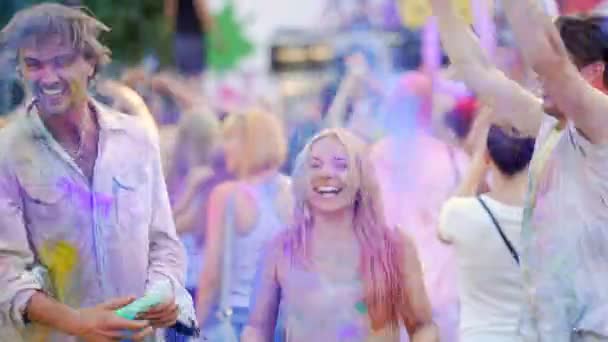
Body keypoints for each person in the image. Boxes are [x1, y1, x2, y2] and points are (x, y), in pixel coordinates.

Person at [0, 4, 193, 341]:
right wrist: (76, 322)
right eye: (34, 64)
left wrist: (164, 292)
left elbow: (163, 243)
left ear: (90, 63)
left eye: (61, 61)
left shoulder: (136, 137)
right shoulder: (7, 151)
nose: (47, 77)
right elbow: (6, 272)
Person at [242, 128, 439, 342]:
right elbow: (257, 329)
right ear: (301, 177)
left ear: (361, 176)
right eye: (315, 165)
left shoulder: (394, 245)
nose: (326, 174)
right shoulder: (281, 247)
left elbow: (423, 326)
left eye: (341, 165)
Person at [501, 4, 608, 341]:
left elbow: (549, 61)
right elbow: (477, 72)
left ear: (594, 72)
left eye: (563, 66)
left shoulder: (603, 124)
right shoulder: (555, 127)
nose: (539, 77)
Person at [197, 110, 292, 340]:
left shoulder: (227, 196)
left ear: (250, 143)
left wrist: (194, 327)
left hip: (237, 321)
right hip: (284, 321)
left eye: (230, 139)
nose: (223, 147)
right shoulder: (295, 192)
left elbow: (212, 273)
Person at [439, 125, 535, 341]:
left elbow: (442, 233)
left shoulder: (460, 213)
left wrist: (476, 166)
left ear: (488, 157)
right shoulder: (549, 221)